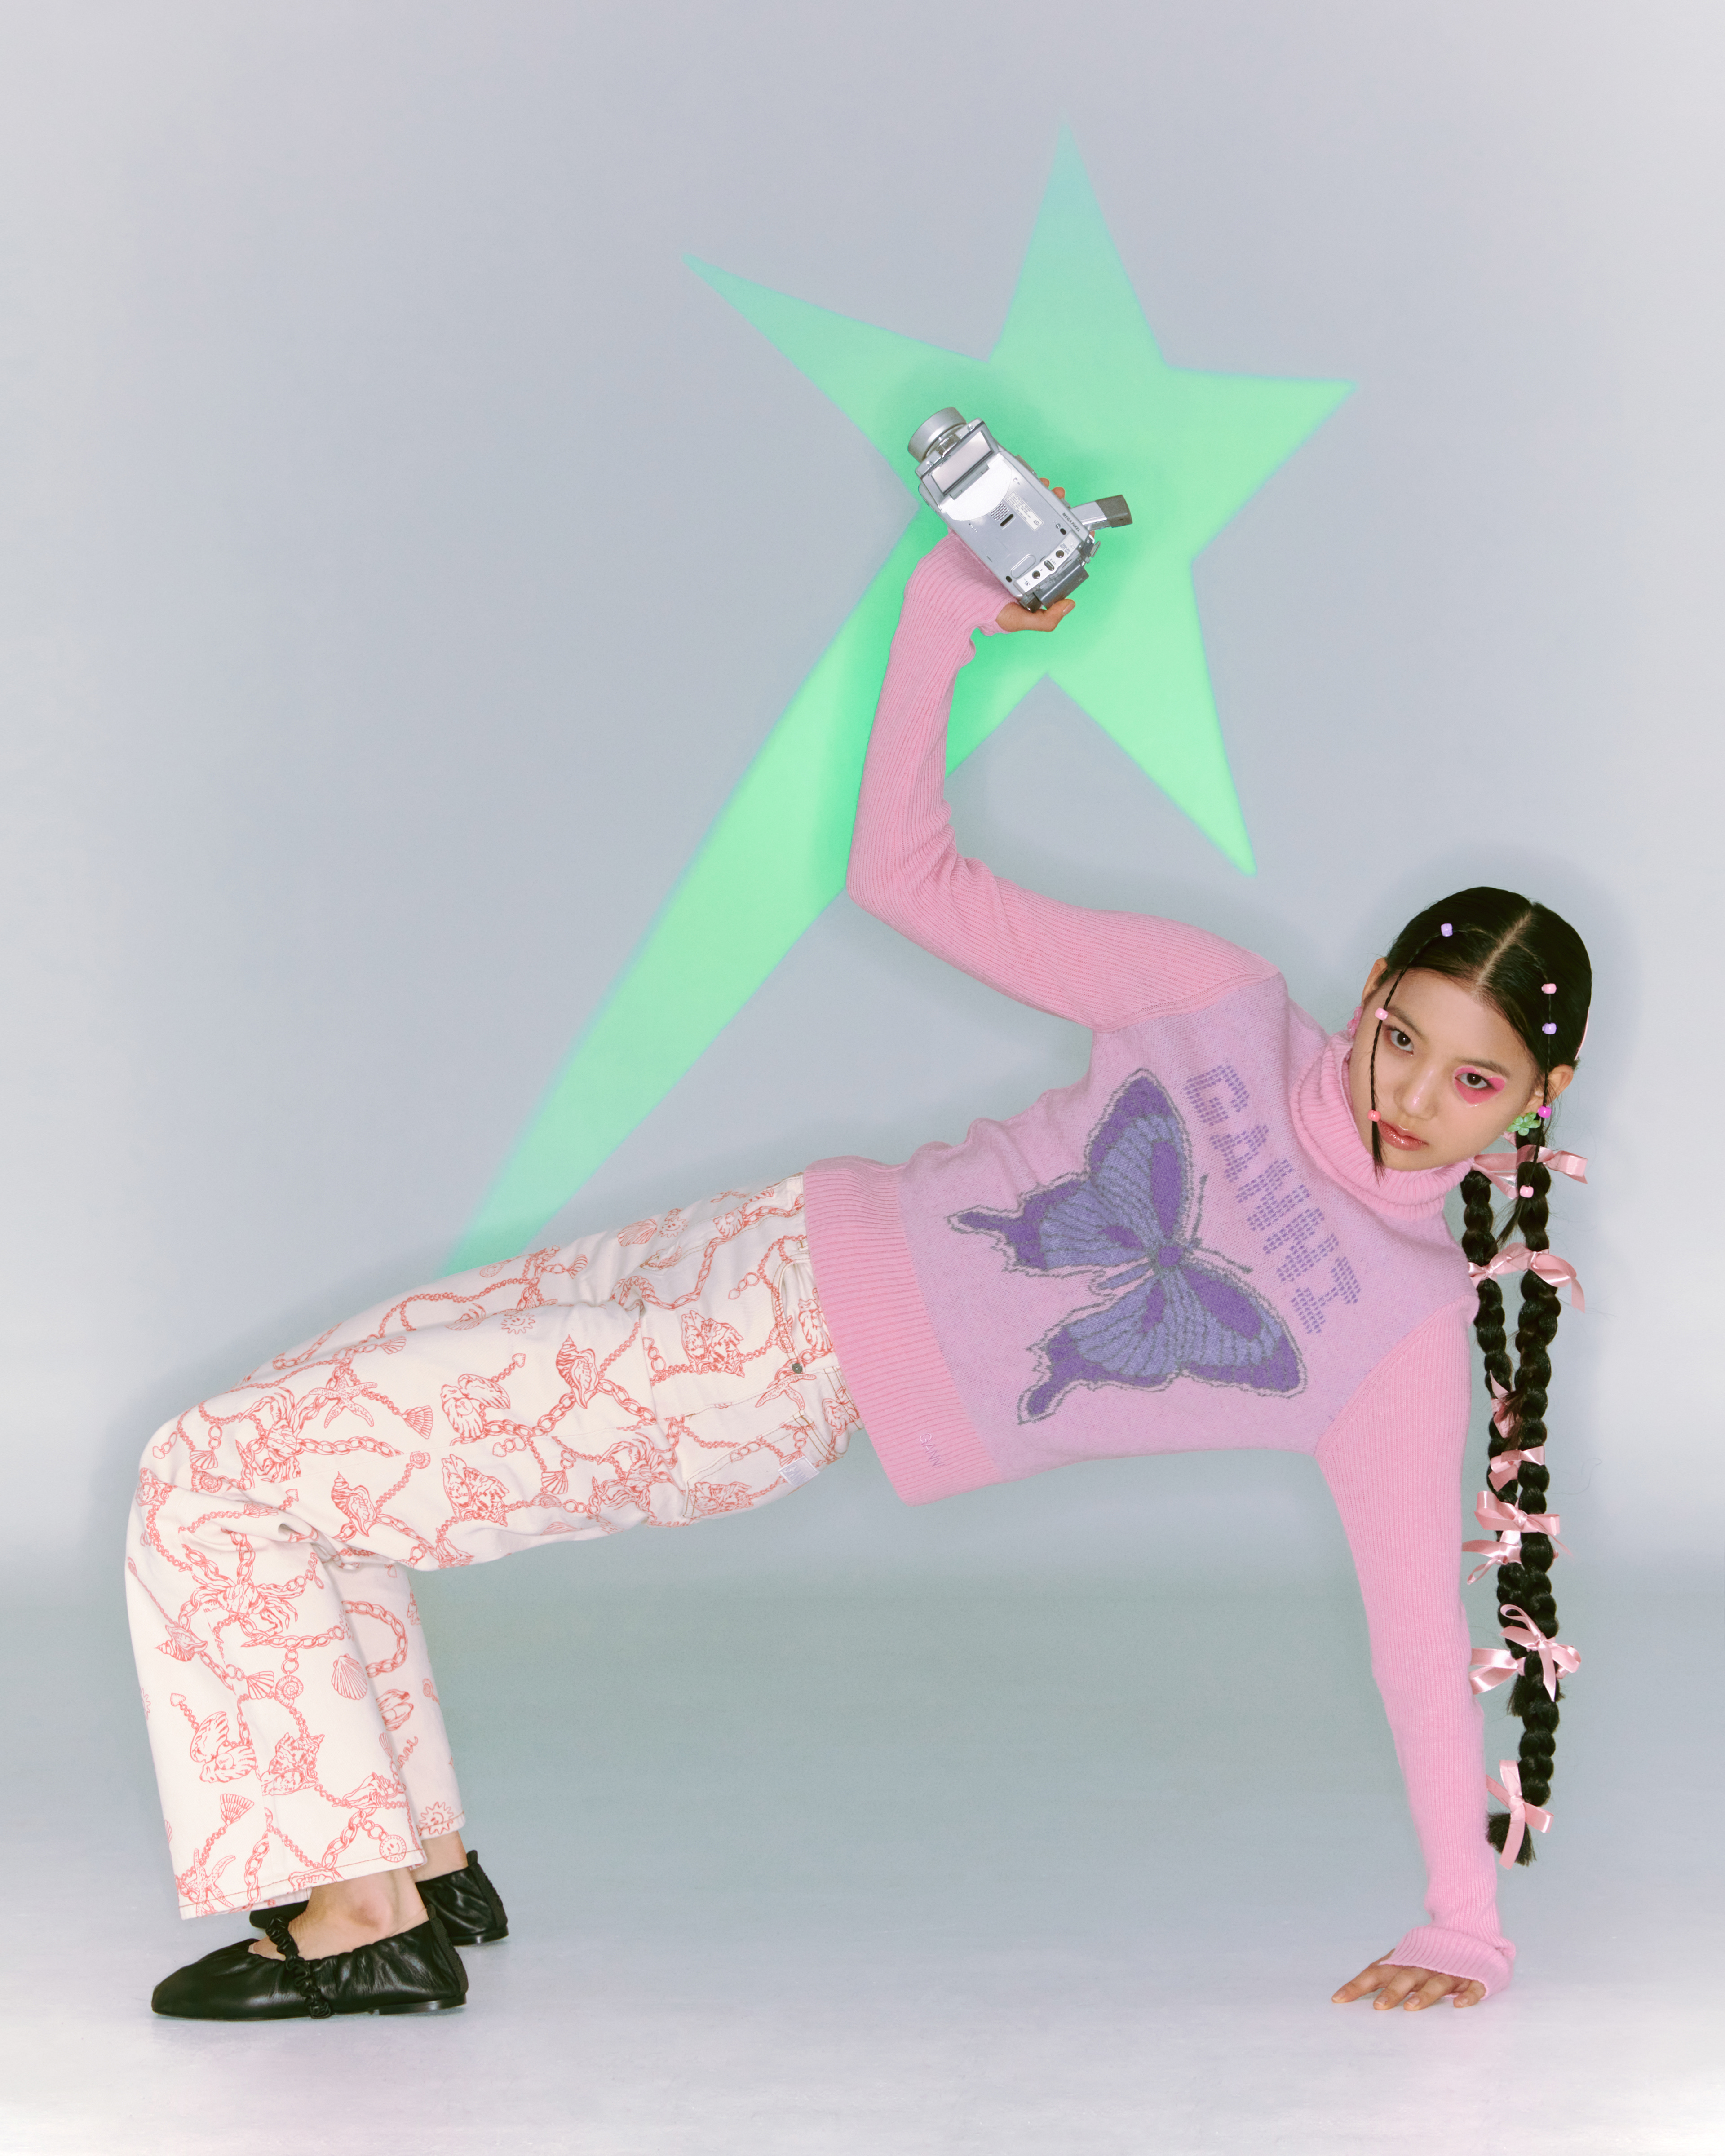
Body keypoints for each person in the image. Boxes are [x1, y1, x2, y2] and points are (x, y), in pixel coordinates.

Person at [131, 516, 1590, 2021]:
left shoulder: (1403, 1328)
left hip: (755, 1382)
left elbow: (1418, 1636)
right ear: (1372, 990)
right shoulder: (1218, 999)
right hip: (750, 1240)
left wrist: (1462, 1924)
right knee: (300, 1421)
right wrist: (943, 609)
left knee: (217, 1473)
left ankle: (359, 1922)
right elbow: (906, 878)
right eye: (1402, 1038)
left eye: (1473, 1081)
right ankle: (417, 1861)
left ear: (1540, 1099)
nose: (1411, 1097)